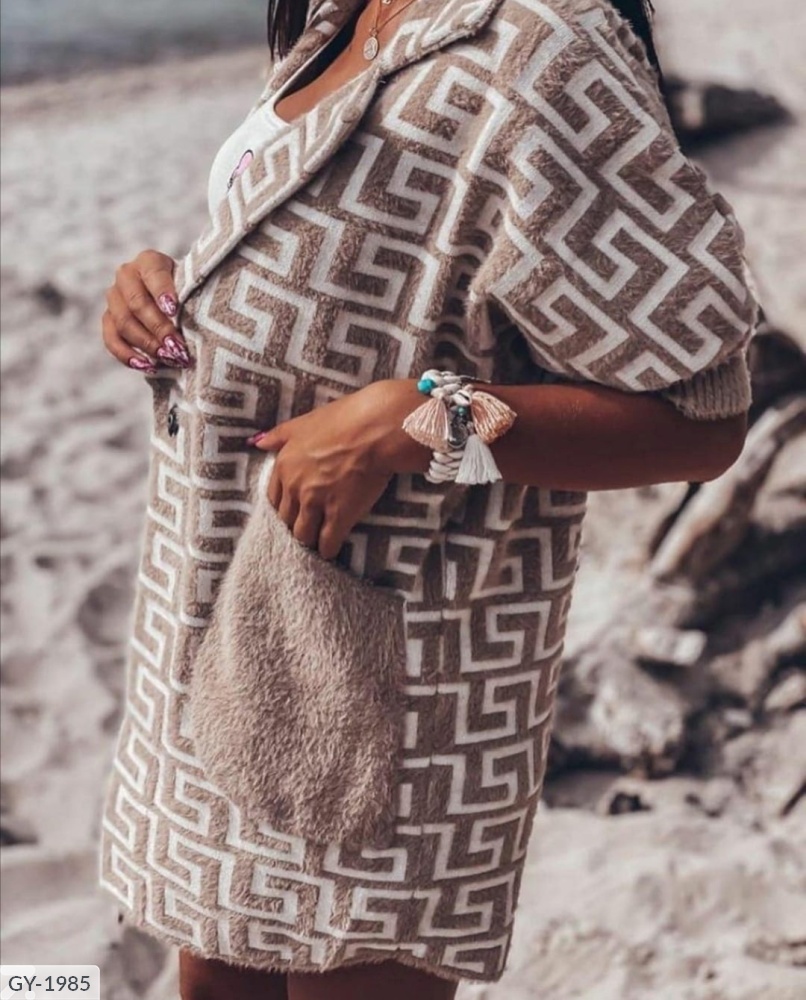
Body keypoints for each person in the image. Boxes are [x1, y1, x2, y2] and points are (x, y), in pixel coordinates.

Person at [98, 1, 757, 997]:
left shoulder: (543, 44)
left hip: (381, 675)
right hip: (218, 621)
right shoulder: (343, 11)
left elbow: (698, 414)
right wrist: (168, 290)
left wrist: (415, 421)